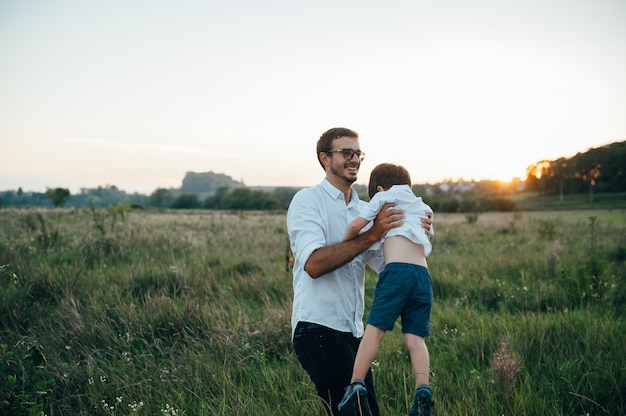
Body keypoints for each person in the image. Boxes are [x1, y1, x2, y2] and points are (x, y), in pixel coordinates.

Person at [287, 128, 432, 415]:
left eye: (358, 153)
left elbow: (387, 265)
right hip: (318, 328)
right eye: (346, 152)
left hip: (353, 333)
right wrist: (371, 234)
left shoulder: (368, 209)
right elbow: (313, 265)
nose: (354, 159)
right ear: (325, 158)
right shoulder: (308, 201)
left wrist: (414, 234)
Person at [337, 163, 434, 416]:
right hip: (423, 276)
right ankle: (422, 388)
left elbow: (355, 226)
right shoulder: (423, 205)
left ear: (379, 188)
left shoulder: (383, 197)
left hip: (397, 273)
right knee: (415, 339)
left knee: (375, 331)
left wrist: (348, 241)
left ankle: (356, 384)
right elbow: (425, 232)